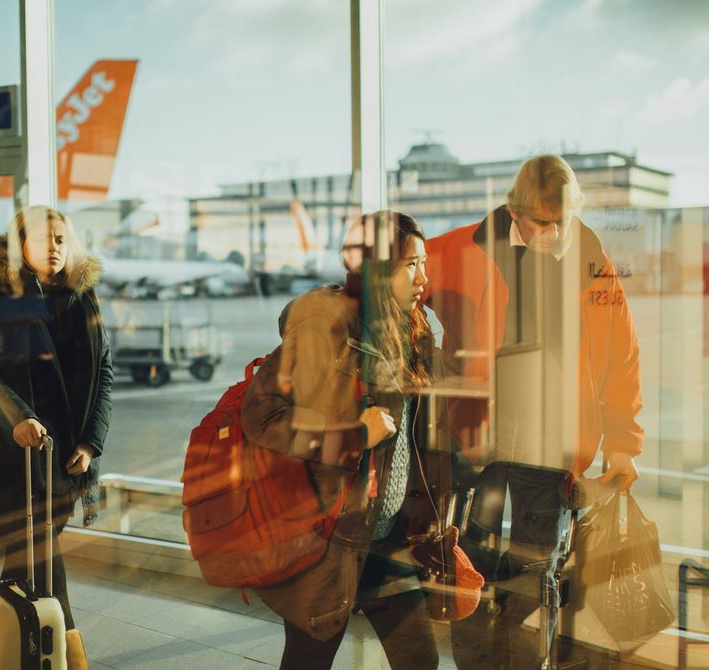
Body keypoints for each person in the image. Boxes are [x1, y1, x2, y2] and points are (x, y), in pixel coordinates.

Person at [422, 155, 643, 667]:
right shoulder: (464, 248)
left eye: (562, 220)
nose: (553, 232)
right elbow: (394, 275)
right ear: (516, 211)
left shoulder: (591, 260)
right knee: (470, 563)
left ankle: (516, 661)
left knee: (533, 571)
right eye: (542, 222)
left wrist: (625, 446)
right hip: (480, 440)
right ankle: (476, 661)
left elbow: (621, 360)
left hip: (552, 445)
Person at [242, 211, 443, 670]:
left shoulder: (414, 328)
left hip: (388, 536)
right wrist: (354, 435)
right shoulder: (325, 328)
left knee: (420, 661)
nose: (423, 277)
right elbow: (263, 416)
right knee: (308, 662)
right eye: (411, 265)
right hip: (330, 539)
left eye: (423, 263)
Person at [0, 205, 112, 670]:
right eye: (44, 239)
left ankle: (5, 650)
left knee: (29, 565)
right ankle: (67, 660)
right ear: (20, 246)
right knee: (40, 558)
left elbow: (104, 373)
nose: (55, 246)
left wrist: (90, 443)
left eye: (62, 238)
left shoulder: (83, 297)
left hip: (66, 461)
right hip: (15, 456)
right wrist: (19, 416)